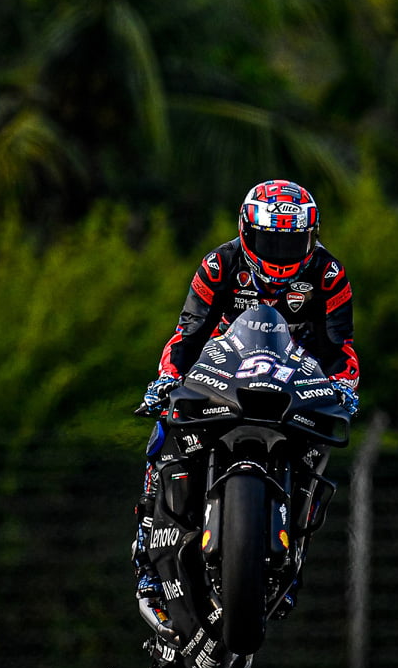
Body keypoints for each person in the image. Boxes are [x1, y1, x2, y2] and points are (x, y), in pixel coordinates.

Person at [132, 178, 359, 610]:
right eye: (269, 242)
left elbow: (338, 346)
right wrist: (167, 379)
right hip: (223, 372)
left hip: (293, 380)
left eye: (291, 243)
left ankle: (293, 558)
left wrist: (344, 387)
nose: (279, 254)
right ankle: (146, 554)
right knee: (164, 429)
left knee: (318, 449)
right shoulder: (218, 265)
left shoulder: (329, 274)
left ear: (311, 238)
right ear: (246, 231)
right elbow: (188, 333)